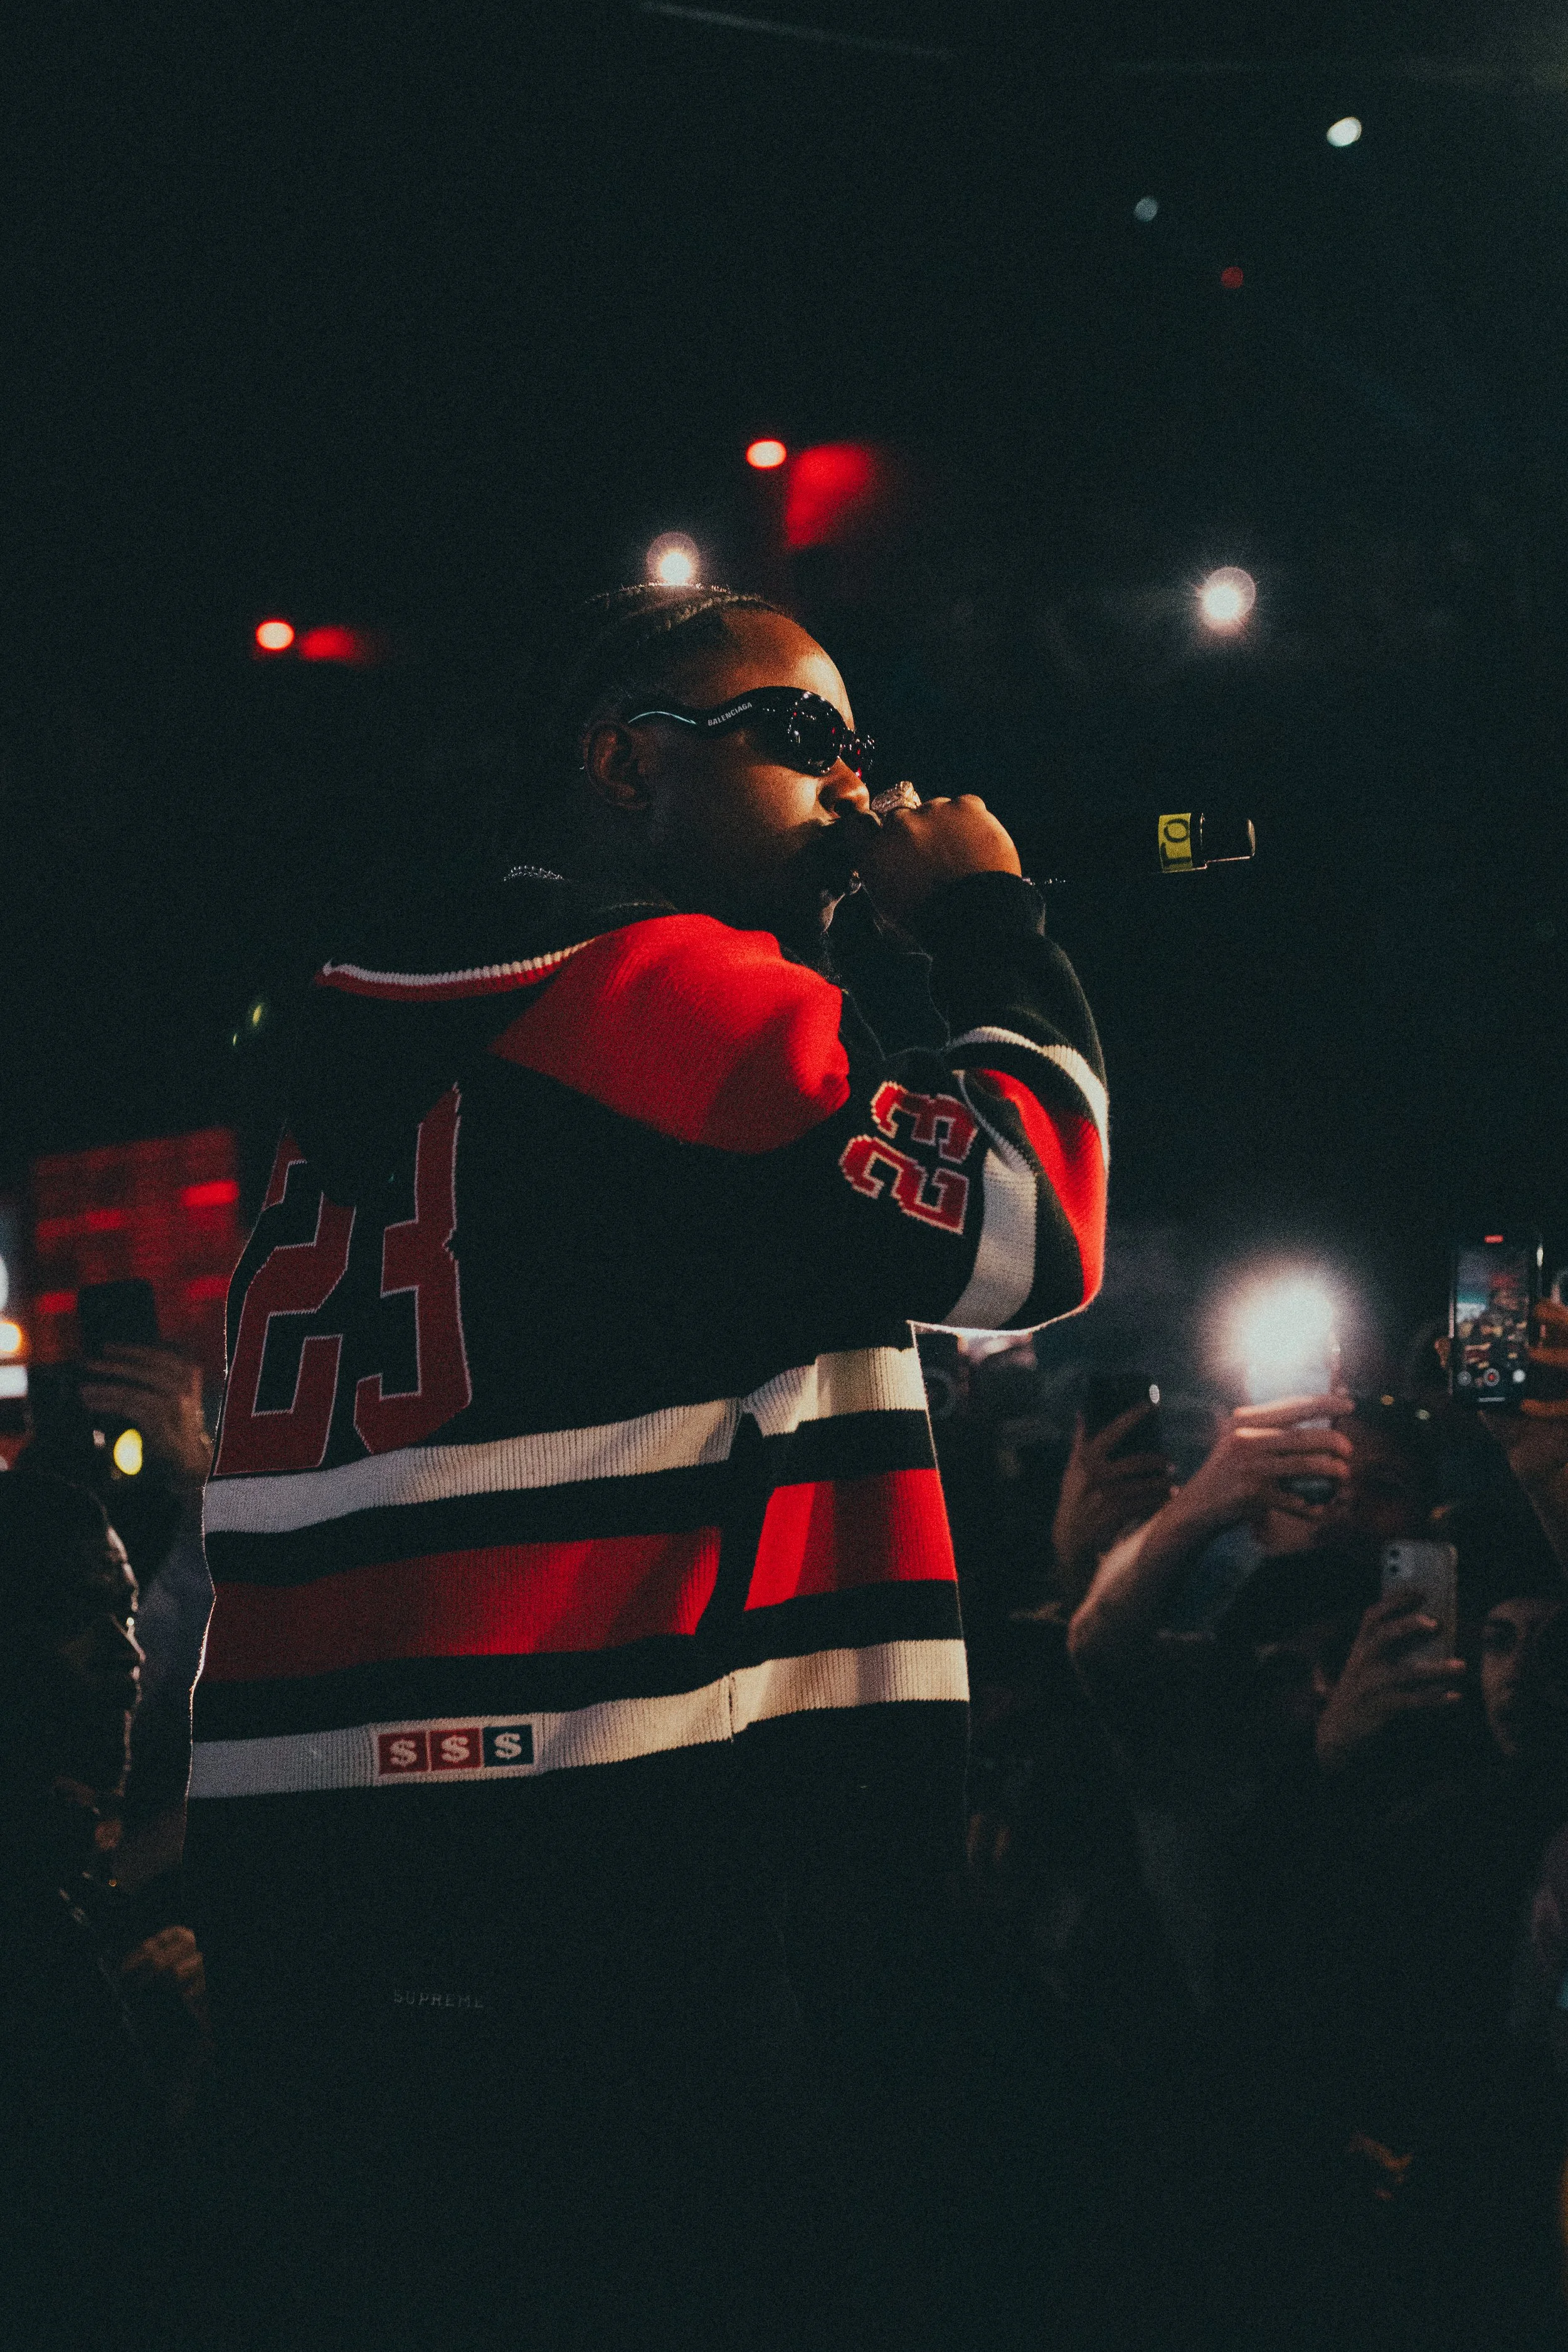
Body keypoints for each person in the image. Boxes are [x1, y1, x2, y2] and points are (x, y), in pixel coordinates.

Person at [184, 583, 1108, 2348]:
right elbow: (1027, 1219)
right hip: (613, 1965)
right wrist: (989, 926)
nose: (856, 790)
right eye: (800, 737)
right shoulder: (667, 995)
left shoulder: (370, 1050)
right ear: (622, 763)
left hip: (325, 1970)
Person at [0, 1471, 209, 2348]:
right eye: (84, 1617)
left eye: (127, 1614)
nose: (130, 1654)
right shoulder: (32, 1924)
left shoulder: (65, 1878)